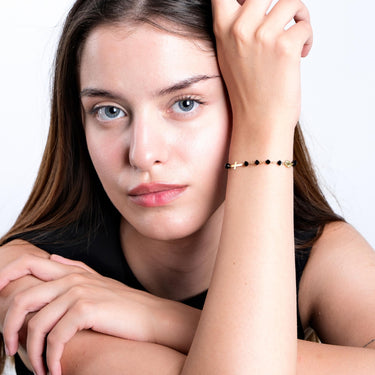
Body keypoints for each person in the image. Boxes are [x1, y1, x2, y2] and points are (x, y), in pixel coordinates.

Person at [0, 0, 374, 374]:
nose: (143, 154)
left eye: (185, 103)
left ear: (249, 100)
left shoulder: (318, 251)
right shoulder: (38, 277)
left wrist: (157, 318)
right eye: (109, 110)